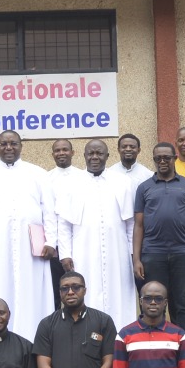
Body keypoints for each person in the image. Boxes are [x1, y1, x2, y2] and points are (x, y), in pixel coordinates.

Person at [0, 131, 56, 343]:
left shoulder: (38, 174)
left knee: (32, 293)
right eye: (4, 144)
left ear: (21, 146)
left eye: (13, 144)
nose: (9, 148)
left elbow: (49, 211)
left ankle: (34, 342)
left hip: (31, 251)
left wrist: (51, 241)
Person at [59, 139, 136, 331]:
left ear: (107, 156)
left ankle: (120, 337)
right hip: (83, 251)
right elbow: (64, 223)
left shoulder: (123, 182)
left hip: (117, 253)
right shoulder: (70, 183)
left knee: (119, 292)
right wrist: (65, 254)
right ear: (84, 156)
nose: (95, 157)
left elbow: (131, 223)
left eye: (99, 153)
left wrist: (133, 254)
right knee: (87, 289)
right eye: (90, 154)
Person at [133, 140, 185, 329]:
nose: (162, 161)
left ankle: (183, 346)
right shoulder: (144, 187)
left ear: (175, 158)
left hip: (183, 252)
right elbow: (138, 225)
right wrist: (137, 259)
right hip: (153, 254)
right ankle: (156, 346)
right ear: (154, 160)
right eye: (158, 158)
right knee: (154, 302)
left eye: (166, 157)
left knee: (182, 304)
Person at [46, 138, 84, 301]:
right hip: (53, 248)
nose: (61, 153)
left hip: (77, 245)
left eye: (65, 149)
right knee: (55, 292)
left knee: (77, 291)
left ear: (73, 152)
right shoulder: (45, 179)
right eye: (57, 150)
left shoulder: (83, 177)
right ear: (53, 154)